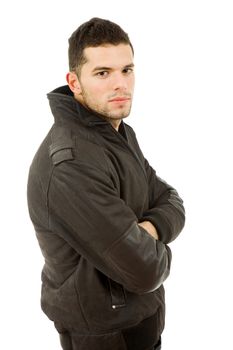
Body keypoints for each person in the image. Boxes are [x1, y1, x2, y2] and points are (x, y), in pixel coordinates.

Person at [27, 17, 185, 350]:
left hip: (141, 318)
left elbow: (170, 199)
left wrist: (146, 232)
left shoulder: (117, 133)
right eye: (103, 73)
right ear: (75, 82)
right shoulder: (70, 164)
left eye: (127, 70)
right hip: (103, 334)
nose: (121, 85)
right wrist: (158, 249)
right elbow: (145, 271)